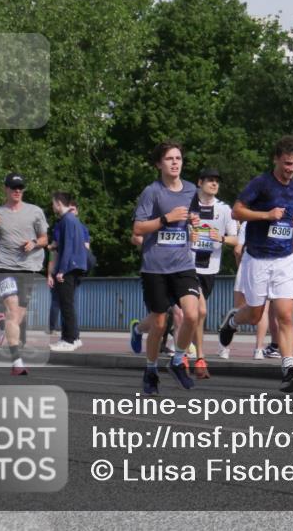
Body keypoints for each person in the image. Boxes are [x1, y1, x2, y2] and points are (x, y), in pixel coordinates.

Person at [218, 136, 293, 393]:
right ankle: (233, 321)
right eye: (286, 163)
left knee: (284, 314)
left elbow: (289, 214)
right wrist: (265, 215)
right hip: (257, 258)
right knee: (254, 314)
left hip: (284, 260)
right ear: (276, 159)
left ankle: (289, 367)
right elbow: (237, 211)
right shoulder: (261, 184)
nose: (290, 169)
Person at [131, 141, 203, 394]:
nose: (175, 162)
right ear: (159, 164)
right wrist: (165, 219)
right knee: (160, 324)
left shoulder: (192, 190)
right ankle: (151, 371)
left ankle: (177, 361)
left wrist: (193, 220)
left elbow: (193, 217)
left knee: (192, 315)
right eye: (170, 159)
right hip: (155, 267)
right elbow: (138, 229)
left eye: (179, 158)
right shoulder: (152, 192)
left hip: (183, 263)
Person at [0, 173, 50, 375]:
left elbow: (45, 238)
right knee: (12, 310)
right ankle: (17, 361)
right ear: (6, 189)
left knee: (18, 315)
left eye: (20, 187)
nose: (17, 190)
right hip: (5, 268)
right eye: (13, 187)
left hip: (28, 268)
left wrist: (34, 243)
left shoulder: (35, 212)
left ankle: (3, 326)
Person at [187, 167, 238, 378]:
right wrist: (187, 232)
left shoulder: (225, 209)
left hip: (210, 268)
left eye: (217, 180)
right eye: (210, 180)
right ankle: (199, 357)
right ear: (200, 182)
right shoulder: (188, 205)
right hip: (187, 266)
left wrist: (222, 239)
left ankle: (177, 339)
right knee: (201, 311)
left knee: (194, 314)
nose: (214, 184)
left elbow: (236, 239)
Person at [47, 192, 89, 352]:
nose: (52, 207)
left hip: (69, 267)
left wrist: (61, 270)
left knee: (66, 304)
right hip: (76, 266)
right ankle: (74, 337)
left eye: (53, 203)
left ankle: (69, 340)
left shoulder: (66, 220)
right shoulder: (74, 220)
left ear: (58, 203)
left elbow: (68, 247)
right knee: (68, 303)